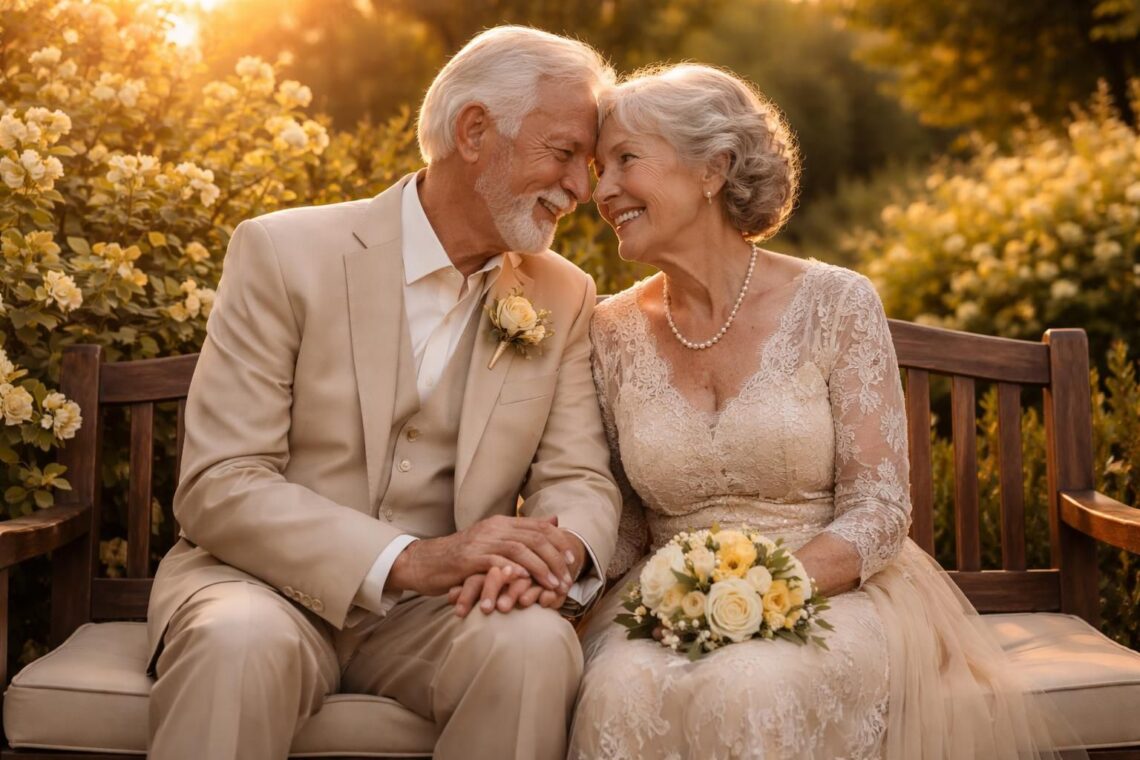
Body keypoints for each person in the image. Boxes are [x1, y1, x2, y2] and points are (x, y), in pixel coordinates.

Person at [570, 63, 1084, 759]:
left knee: (749, 685)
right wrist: (568, 573)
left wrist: (764, 593)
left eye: (625, 160)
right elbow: (628, 521)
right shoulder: (610, 330)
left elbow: (877, 507)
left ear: (712, 169)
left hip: (834, 592)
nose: (601, 191)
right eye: (599, 168)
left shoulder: (836, 303)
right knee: (618, 688)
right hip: (672, 601)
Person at [145, 27, 621, 760]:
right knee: (235, 643)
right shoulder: (284, 253)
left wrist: (551, 555)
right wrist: (409, 559)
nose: (581, 189)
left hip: (444, 612)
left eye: (585, 166)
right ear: (473, 132)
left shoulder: (565, 294)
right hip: (262, 587)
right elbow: (221, 482)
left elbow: (578, 476)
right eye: (562, 154)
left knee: (532, 646)